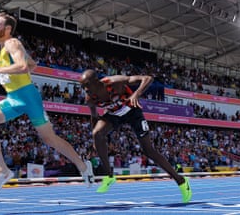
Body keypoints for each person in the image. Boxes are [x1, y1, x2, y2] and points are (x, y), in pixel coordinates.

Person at [0, 12, 93, 194]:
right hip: (13, 98)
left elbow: (23, 66)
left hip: (29, 98)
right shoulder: (5, 47)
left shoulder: (12, 43)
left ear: (7, 29)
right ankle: (3, 171)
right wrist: (12, 69)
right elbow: (32, 65)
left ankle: (83, 166)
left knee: (49, 138)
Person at [80, 69, 192, 203]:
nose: (85, 89)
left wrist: (136, 94)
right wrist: (95, 140)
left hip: (133, 111)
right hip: (114, 115)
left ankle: (181, 181)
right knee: (97, 134)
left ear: (96, 82)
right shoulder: (90, 99)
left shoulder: (114, 82)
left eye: (87, 85)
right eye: (82, 86)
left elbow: (148, 78)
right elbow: (94, 117)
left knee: (148, 150)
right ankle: (109, 176)